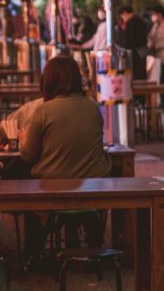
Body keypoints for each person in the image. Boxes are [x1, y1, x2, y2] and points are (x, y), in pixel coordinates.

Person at [19, 56, 111, 265]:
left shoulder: (43, 110)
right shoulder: (93, 107)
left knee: (22, 181)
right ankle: (94, 242)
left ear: (48, 81)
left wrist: (24, 139)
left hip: (52, 188)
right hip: (93, 188)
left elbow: (29, 155)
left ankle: (33, 253)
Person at [116, 6, 148, 80]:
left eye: (122, 15)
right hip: (141, 52)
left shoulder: (131, 23)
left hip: (134, 53)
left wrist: (126, 49)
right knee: (141, 74)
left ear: (125, 13)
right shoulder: (139, 20)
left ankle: (138, 90)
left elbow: (130, 40)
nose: (122, 17)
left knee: (136, 74)